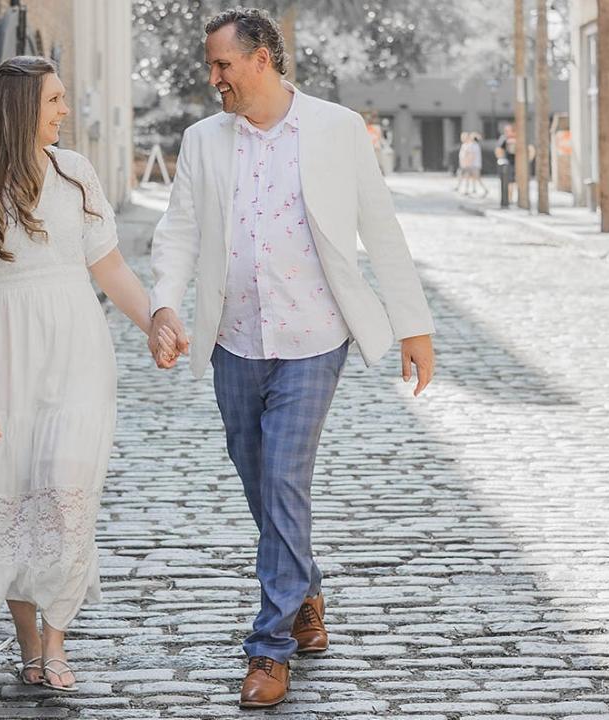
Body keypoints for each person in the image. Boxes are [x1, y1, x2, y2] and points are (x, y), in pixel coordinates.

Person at [147, 8, 435, 708]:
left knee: (281, 476)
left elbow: (380, 228)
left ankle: (268, 648)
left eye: (222, 65)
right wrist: (162, 305)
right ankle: (304, 590)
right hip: (234, 338)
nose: (212, 78)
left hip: (314, 338)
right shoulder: (203, 141)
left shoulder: (334, 129)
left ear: (262, 60)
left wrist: (413, 327)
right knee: (258, 480)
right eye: (210, 66)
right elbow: (178, 232)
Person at [0, 56, 177, 693]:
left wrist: (155, 322)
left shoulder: (76, 174)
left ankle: (57, 641)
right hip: (5, 359)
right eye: (54, 100)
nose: (63, 110)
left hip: (78, 355)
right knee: (13, 501)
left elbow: (109, 268)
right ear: (23, 108)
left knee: (64, 497)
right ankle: (31, 645)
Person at [467, 132, 487, 197]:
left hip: (474, 164)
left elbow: (472, 155)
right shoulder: (476, 145)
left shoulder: (473, 145)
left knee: (477, 178)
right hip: (476, 164)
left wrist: (469, 162)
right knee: (473, 177)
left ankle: (485, 189)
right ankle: (474, 189)